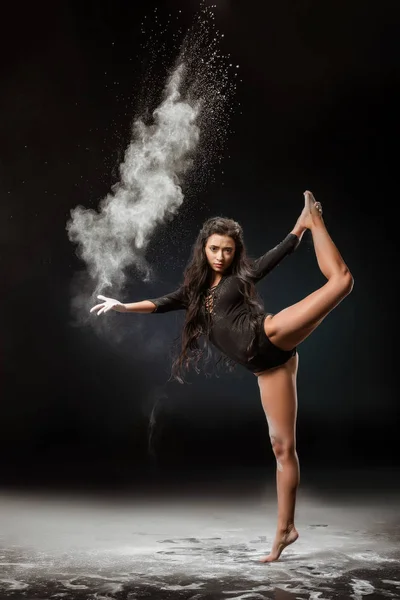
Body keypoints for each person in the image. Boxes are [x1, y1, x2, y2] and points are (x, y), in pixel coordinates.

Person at [90, 191, 353, 562]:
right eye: (215, 249)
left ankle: (315, 220)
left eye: (227, 250)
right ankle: (285, 530)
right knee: (282, 449)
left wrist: (300, 228)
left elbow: (281, 252)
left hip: (270, 334)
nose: (220, 256)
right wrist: (122, 306)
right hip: (268, 367)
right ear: (205, 249)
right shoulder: (195, 293)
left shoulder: (241, 275)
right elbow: (161, 303)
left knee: (340, 282)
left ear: (234, 252)